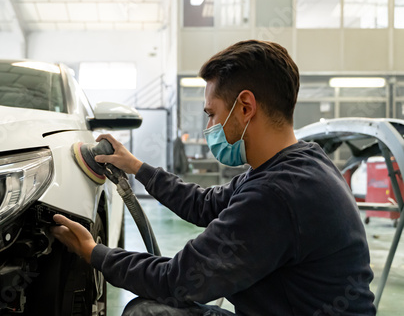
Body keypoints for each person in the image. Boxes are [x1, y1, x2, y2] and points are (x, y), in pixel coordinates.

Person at [51, 40, 376, 315]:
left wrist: (93, 252)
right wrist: (137, 166)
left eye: (212, 114)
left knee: (146, 312)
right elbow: (204, 204)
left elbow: (176, 281)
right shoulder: (296, 165)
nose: (209, 129)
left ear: (245, 107)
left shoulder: (276, 193)